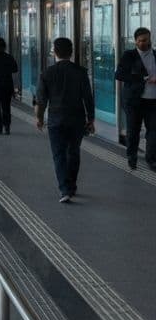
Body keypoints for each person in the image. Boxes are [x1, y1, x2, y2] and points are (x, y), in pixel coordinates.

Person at [35, 37, 95, 203]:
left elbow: (41, 100)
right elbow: (88, 98)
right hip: (77, 119)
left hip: (56, 119)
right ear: (71, 52)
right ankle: (72, 185)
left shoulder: (47, 73)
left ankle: (64, 190)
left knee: (59, 155)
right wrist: (91, 119)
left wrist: (39, 118)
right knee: (73, 152)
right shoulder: (81, 72)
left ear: (54, 52)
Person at [115, 26, 156, 170]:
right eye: (141, 40)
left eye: (146, 40)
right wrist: (144, 78)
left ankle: (151, 159)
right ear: (135, 41)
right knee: (133, 131)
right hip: (134, 101)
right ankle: (132, 158)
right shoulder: (129, 55)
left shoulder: (155, 55)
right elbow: (119, 74)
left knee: (153, 131)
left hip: (153, 100)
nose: (144, 43)